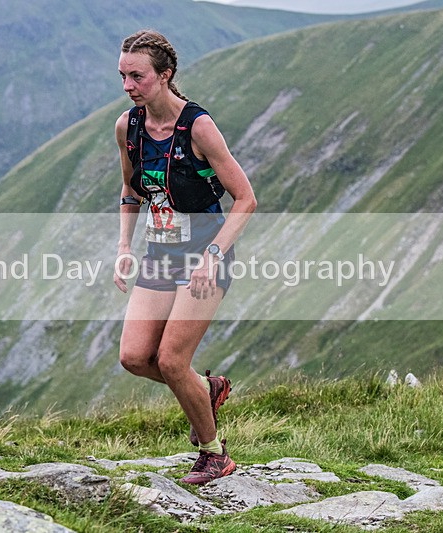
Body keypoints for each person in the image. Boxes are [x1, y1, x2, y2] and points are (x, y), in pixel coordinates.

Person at [113, 29, 256, 485]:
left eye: (137, 76)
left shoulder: (198, 127)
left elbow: (246, 198)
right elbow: (130, 190)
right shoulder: (128, 127)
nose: (128, 85)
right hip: (160, 253)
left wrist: (214, 254)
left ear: (165, 75)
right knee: (135, 357)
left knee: (173, 361)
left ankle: (215, 454)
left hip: (205, 256)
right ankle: (206, 389)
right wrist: (123, 248)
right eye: (123, 75)